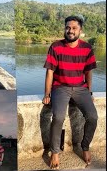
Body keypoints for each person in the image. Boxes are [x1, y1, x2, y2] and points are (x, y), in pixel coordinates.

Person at [42, 15, 98, 169]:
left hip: (81, 88)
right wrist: (47, 94)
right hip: (60, 87)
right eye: (68, 27)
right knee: (58, 117)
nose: (70, 31)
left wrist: (89, 92)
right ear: (64, 28)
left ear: (80, 30)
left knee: (93, 117)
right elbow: (50, 73)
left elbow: (88, 73)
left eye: (74, 28)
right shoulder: (55, 46)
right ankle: (55, 151)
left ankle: (85, 147)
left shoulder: (87, 48)